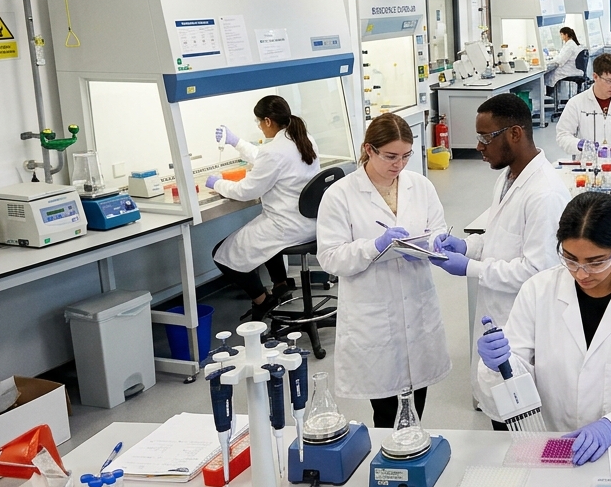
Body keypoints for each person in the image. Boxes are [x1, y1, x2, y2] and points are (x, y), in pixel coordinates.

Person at [476, 193, 611, 461]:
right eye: (571, 259)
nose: (581, 273)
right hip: (555, 445)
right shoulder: (537, 291)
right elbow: (516, 379)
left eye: (596, 262)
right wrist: (498, 366)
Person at [432, 94, 572, 408]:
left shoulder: (544, 194)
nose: (479, 146)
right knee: (501, 409)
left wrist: (469, 267)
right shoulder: (508, 178)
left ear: (515, 134)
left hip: (524, 325)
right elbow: (501, 238)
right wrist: (468, 247)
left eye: (485, 137)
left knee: (521, 424)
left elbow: (538, 271)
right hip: (498, 316)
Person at [316, 113, 452, 427]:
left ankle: (415, 452)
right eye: (390, 156)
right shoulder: (340, 195)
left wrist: (434, 243)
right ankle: (392, 465)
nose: (399, 164)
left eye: (406, 156)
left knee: (418, 399)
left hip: (417, 302)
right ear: (369, 149)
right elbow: (331, 257)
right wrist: (374, 247)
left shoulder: (420, 186)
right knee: (387, 412)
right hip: (372, 311)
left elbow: (437, 227)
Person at [209, 96, 322, 320]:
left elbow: (246, 191)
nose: (259, 127)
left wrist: (217, 184)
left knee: (222, 254)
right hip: (311, 223)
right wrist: (236, 142)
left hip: (287, 226)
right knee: (259, 231)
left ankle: (263, 300)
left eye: (259, 122)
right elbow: (266, 158)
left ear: (268, 121)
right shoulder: (303, 138)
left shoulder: (276, 151)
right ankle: (280, 285)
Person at [556, 52, 611, 157]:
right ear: (595, 77)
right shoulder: (576, 103)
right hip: (587, 164)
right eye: (609, 81)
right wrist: (580, 145)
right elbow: (563, 135)